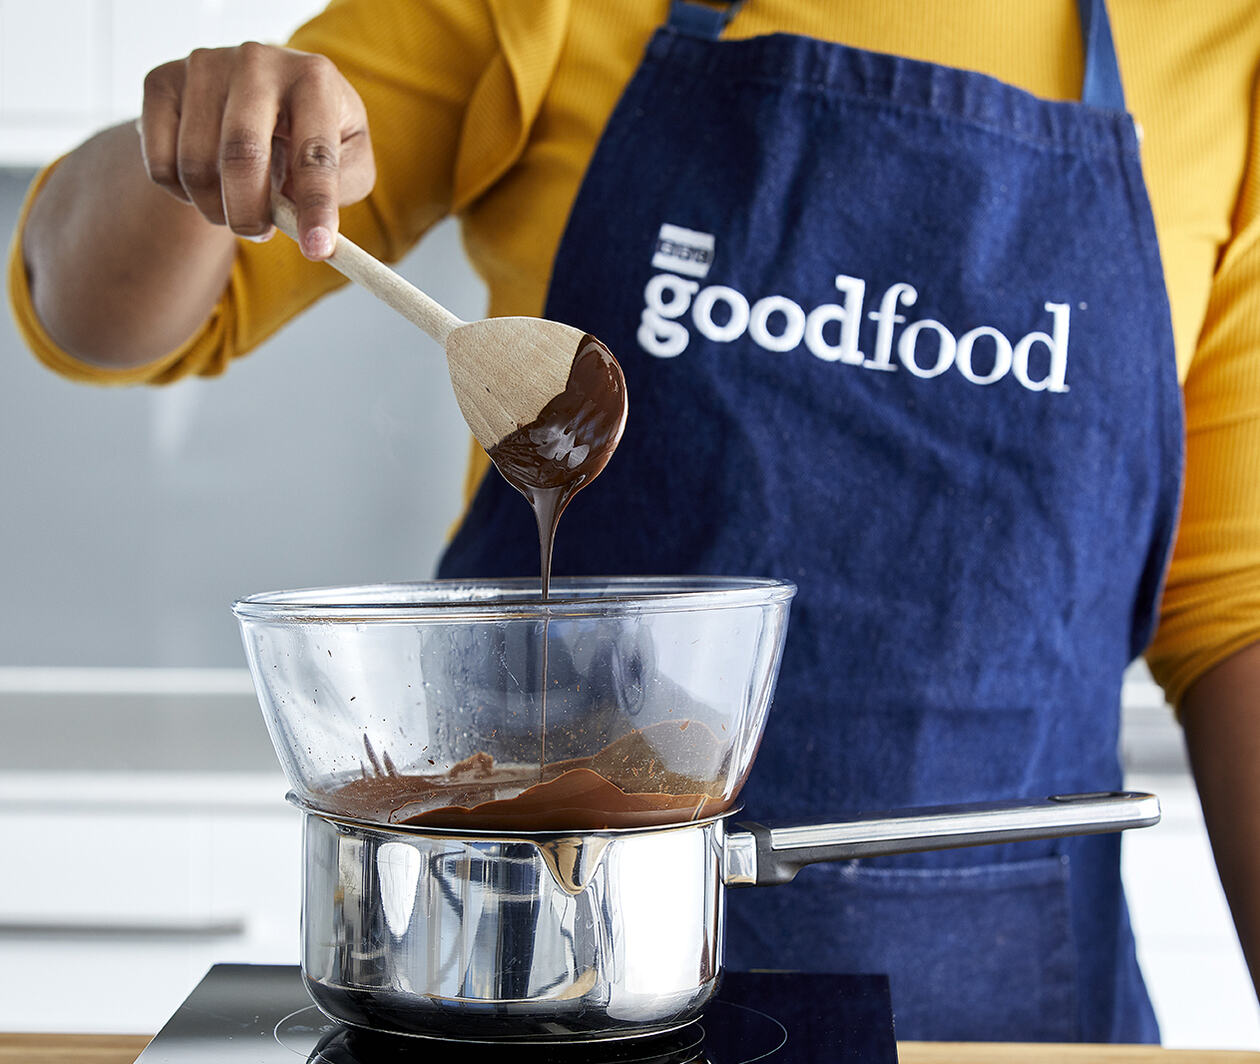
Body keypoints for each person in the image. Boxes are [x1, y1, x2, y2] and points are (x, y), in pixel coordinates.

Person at [9, 0, 1260, 1044]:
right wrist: (196, 140)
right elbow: (89, 313)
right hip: (529, 970)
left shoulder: (1219, 44)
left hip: (1000, 998)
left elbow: (1235, 608)